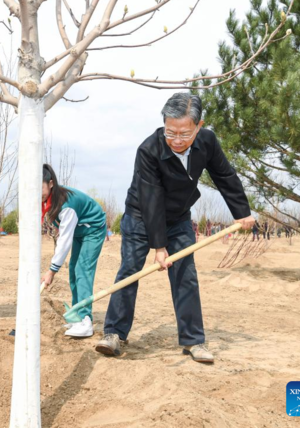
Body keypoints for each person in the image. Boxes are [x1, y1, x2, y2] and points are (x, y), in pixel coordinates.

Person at [95, 93, 255, 363]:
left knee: (185, 276)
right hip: (141, 215)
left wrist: (243, 213)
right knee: (130, 270)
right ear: (164, 124)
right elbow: (152, 199)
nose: (177, 141)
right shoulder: (148, 150)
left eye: (184, 134)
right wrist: (159, 247)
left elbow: (225, 176)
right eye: (171, 133)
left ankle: (194, 341)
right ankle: (114, 333)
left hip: (179, 218)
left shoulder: (207, 142)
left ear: (198, 126)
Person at [41, 164, 106, 338]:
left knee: (82, 269)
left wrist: (52, 270)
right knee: (73, 270)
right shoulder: (45, 202)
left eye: (40, 187)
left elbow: (64, 240)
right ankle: (77, 315)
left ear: (51, 183)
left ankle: (86, 320)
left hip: (93, 228)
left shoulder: (66, 205)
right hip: (80, 230)